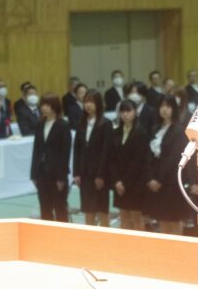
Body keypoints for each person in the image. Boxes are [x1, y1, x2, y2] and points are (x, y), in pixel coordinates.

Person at [146, 95, 190, 235]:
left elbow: (173, 158)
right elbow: (148, 156)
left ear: (174, 109)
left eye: (168, 106)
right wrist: (150, 178)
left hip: (171, 182)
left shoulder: (179, 130)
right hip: (155, 181)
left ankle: (178, 252)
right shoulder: (155, 128)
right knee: (162, 219)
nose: (164, 110)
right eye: (162, 106)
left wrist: (159, 179)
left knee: (174, 219)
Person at [73, 90, 113, 227]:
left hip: (100, 174)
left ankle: (105, 237)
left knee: (102, 209)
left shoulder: (106, 123)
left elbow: (106, 151)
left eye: (91, 102)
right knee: (88, 208)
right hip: (85, 173)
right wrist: (76, 172)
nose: (88, 105)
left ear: (98, 104)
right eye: (86, 102)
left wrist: (101, 175)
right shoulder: (81, 123)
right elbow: (77, 149)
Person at [30, 93, 72, 222]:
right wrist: (33, 174)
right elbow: (36, 150)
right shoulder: (40, 124)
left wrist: (61, 177)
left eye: (47, 105)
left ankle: (63, 235)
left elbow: (65, 153)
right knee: (45, 207)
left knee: (60, 207)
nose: (44, 108)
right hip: (42, 172)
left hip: (56, 173)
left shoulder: (62, 125)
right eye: (42, 105)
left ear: (54, 106)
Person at [109, 100, 149, 230]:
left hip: (134, 182)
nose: (125, 114)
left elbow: (138, 161)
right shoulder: (116, 132)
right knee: (123, 214)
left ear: (135, 112)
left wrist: (124, 182)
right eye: (122, 111)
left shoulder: (141, 132)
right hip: (118, 180)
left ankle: (140, 246)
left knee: (136, 215)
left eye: (128, 111)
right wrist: (116, 181)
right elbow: (112, 158)